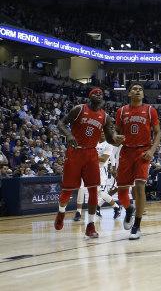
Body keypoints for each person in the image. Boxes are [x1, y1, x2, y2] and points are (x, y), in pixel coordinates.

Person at [54, 88, 121, 238]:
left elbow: (110, 138)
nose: (99, 95)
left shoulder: (105, 116)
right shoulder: (79, 109)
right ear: (90, 97)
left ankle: (90, 225)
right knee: (67, 190)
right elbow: (61, 123)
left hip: (91, 153)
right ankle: (61, 212)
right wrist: (69, 135)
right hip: (75, 152)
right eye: (96, 93)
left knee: (93, 190)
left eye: (101, 93)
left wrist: (118, 139)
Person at [115, 84, 161, 240]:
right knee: (122, 190)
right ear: (129, 93)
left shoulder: (150, 110)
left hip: (143, 152)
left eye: (140, 89)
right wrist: (116, 137)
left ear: (143, 94)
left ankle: (137, 226)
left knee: (140, 186)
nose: (137, 91)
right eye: (134, 89)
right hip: (126, 151)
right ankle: (129, 209)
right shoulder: (121, 111)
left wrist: (151, 151)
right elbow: (117, 133)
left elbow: (158, 133)